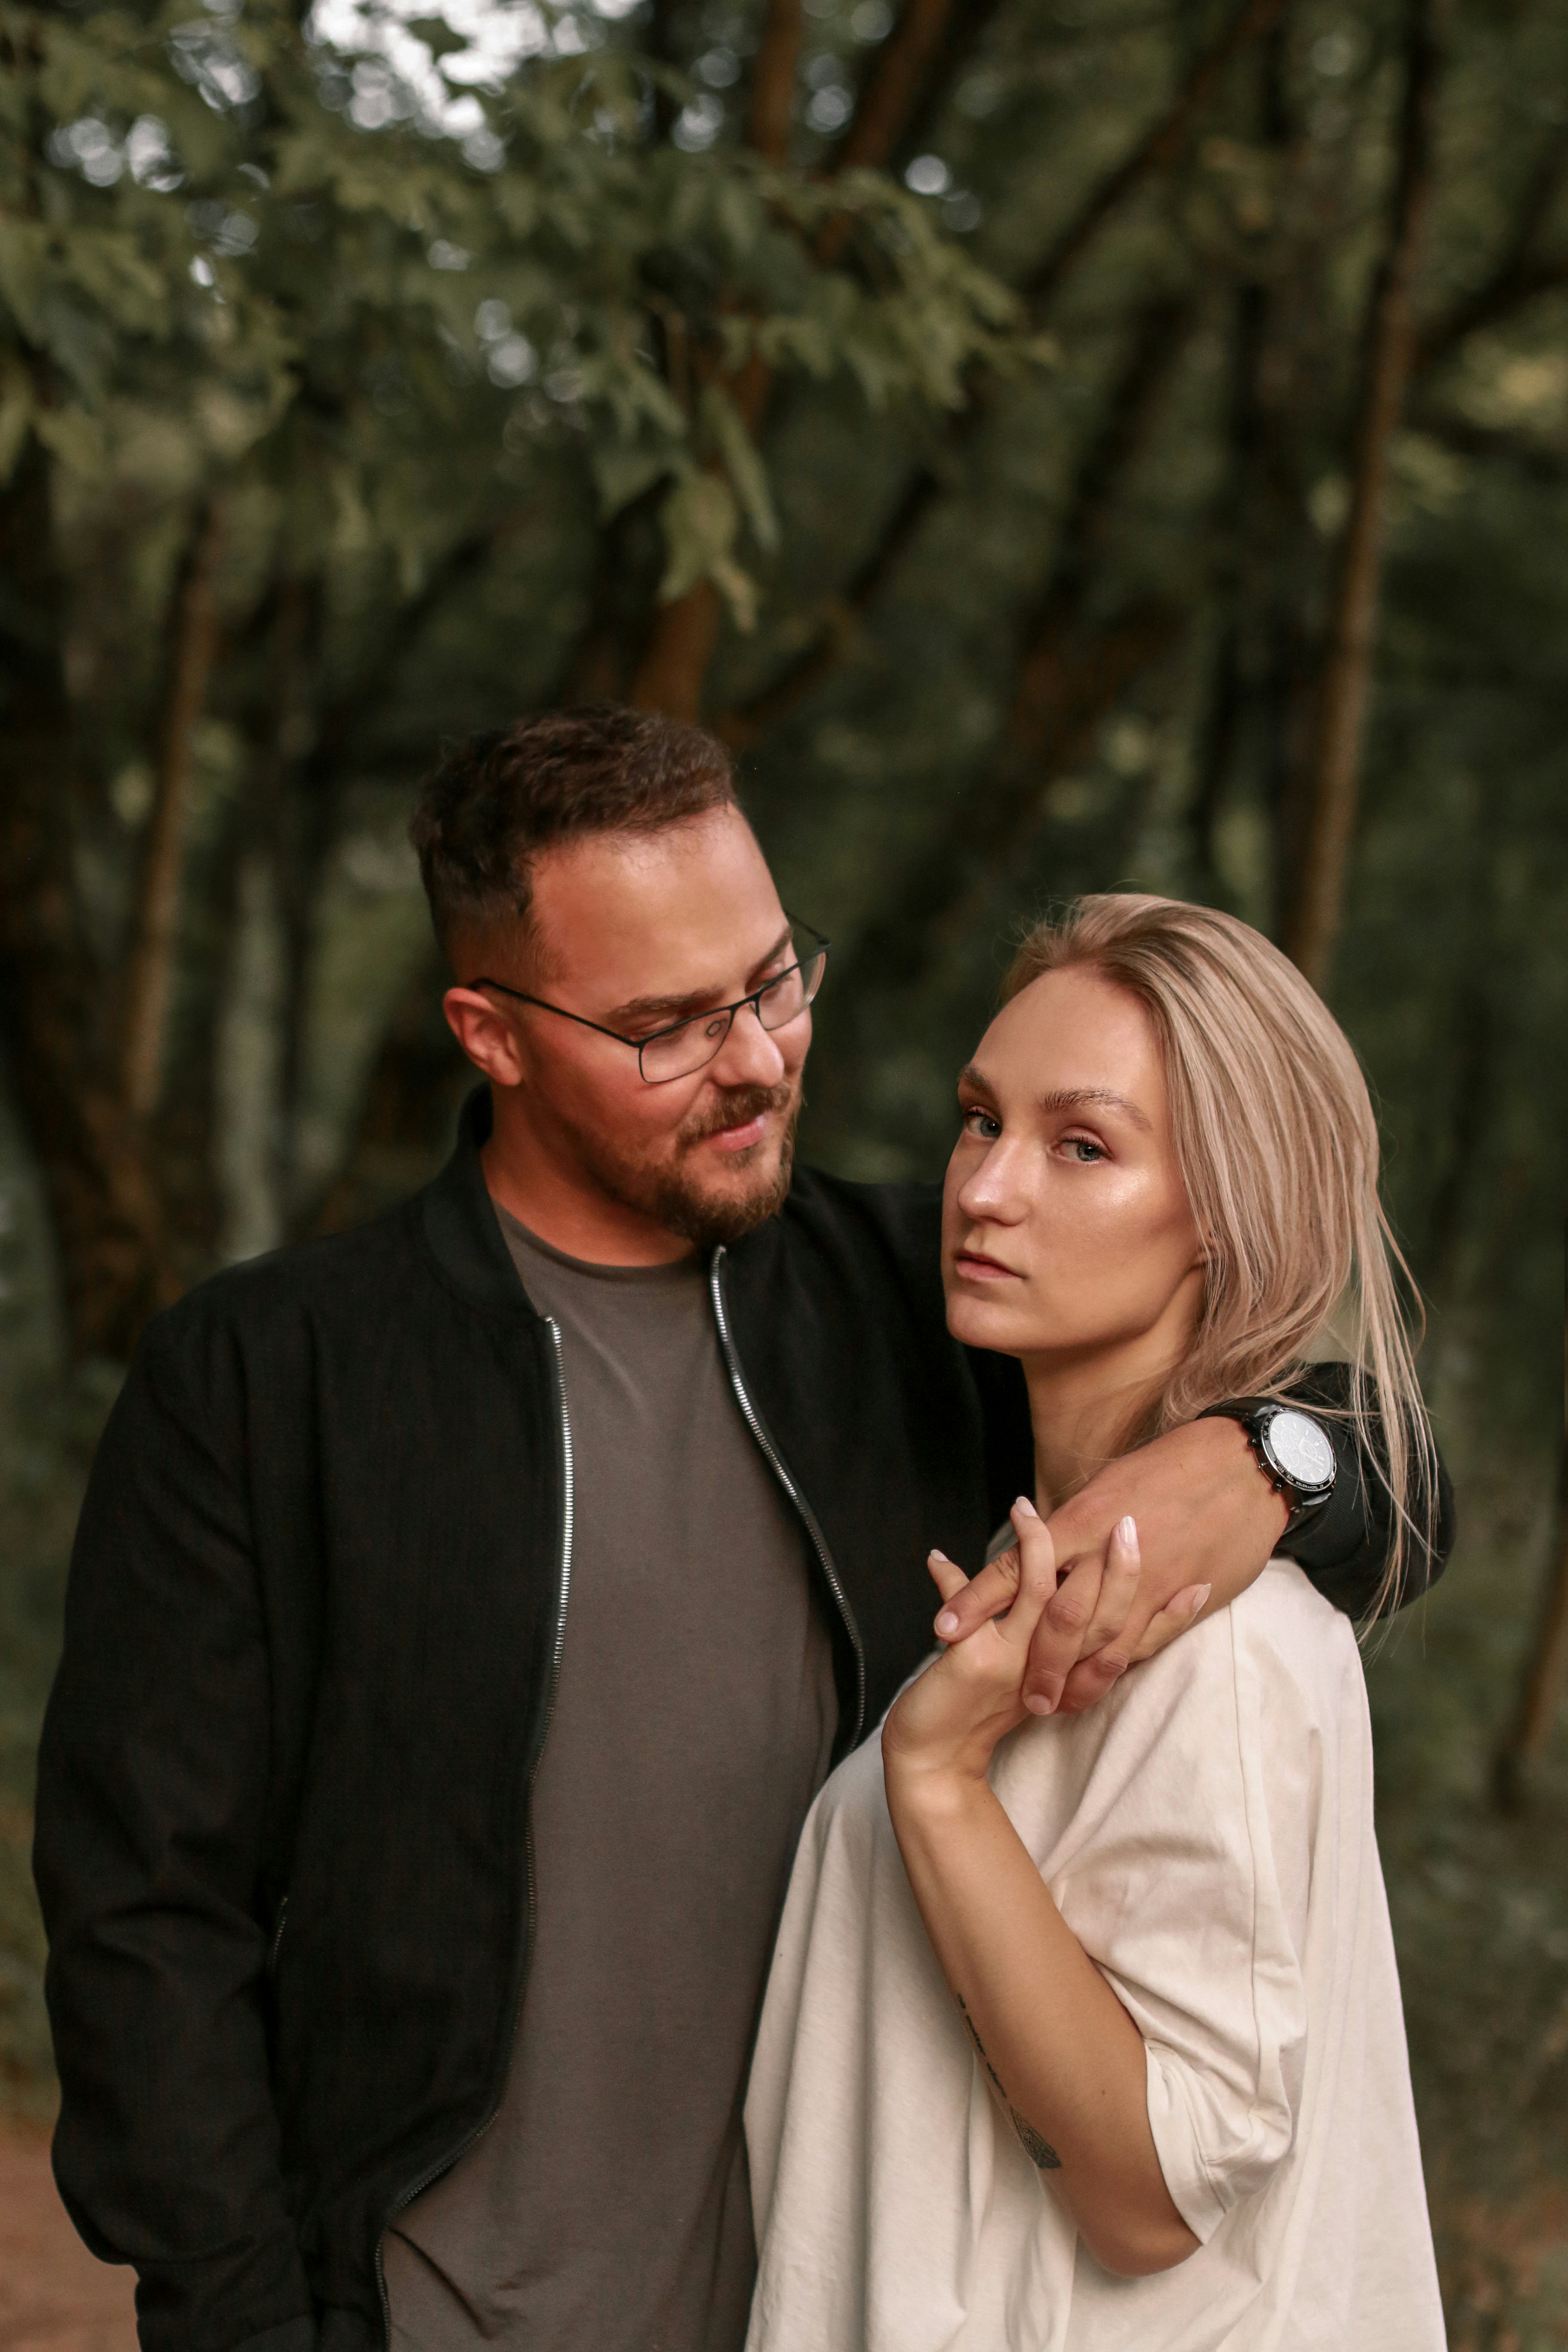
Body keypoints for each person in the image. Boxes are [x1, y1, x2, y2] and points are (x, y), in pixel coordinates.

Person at [34, 712, 1449, 2352]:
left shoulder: (926, 1319)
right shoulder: (273, 1379)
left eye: (775, 982)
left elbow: (1392, 1482)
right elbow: (146, 1924)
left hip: (829, 2300)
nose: (760, 1056)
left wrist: (1269, 1451)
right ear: (488, 1033)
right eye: (665, 1024)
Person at [744, 894, 1447, 2352]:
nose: (987, 1191)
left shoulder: (1224, 1647)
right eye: (978, 1120)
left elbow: (1153, 2199)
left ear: (1227, 1217)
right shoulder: (1037, 1550)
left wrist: (935, 1785)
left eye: (1083, 1147)